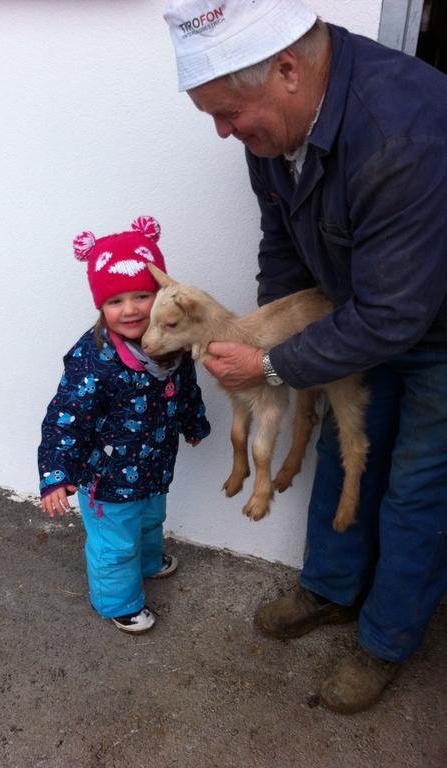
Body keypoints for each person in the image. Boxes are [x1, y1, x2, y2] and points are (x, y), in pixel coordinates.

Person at [163, 0, 447, 712]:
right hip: (359, 312)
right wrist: (275, 334)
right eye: (213, 119)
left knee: (418, 488)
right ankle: (331, 588)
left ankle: (384, 642)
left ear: (286, 69)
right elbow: (284, 247)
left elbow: (397, 313)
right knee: (345, 447)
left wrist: (269, 365)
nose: (226, 132)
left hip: (434, 329)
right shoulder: (276, 136)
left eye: (229, 112)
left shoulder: (405, 129)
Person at [38, 215, 211, 634]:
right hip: (107, 478)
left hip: (153, 464)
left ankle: (149, 563)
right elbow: (66, 417)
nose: (130, 309)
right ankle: (118, 601)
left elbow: (185, 386)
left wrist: (193, 422)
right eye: (115, 301)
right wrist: (57, 474)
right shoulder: (93, 357)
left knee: (151, 520)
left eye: (141, 296)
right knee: (115, 544)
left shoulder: (172, 342)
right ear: (101, 306)